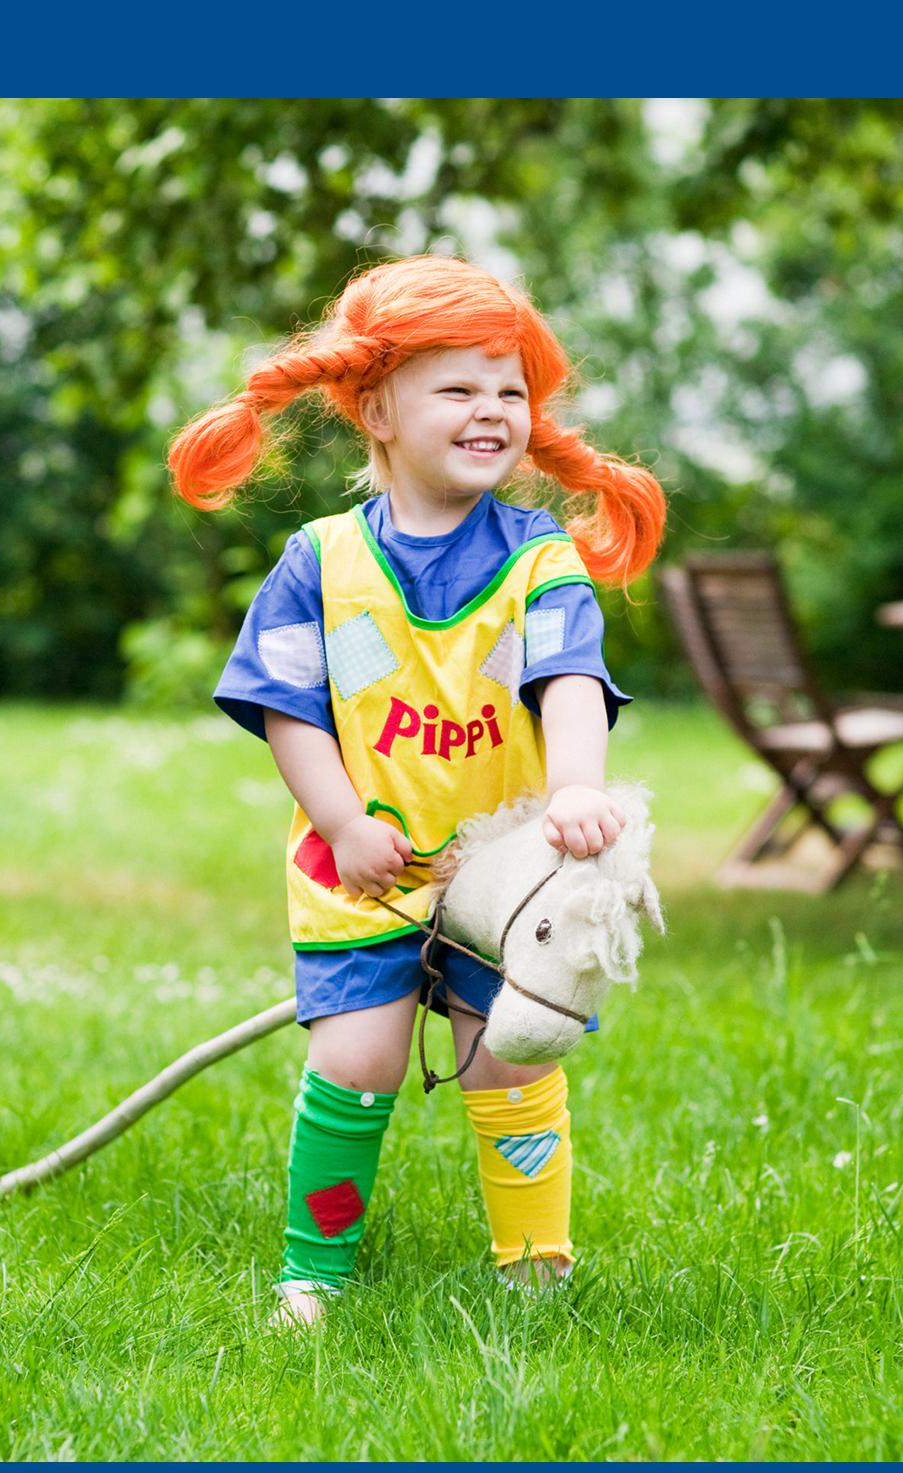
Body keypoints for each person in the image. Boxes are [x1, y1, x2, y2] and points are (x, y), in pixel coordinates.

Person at [170, 255, 665, 1326]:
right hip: (363, 874)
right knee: (357, 1061)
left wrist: (578, 792)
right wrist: (343, 822)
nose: (493, 410)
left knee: (509, 1063)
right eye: (460, 387)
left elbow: (571, 683)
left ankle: (534, 1272)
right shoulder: (319, 560)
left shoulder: (542, 560)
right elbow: (289, 709)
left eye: (510, 390)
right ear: (376, 407)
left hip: (506, 880)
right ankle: (313, 1275)